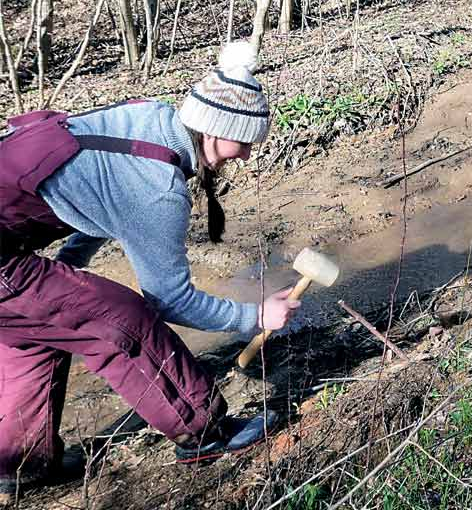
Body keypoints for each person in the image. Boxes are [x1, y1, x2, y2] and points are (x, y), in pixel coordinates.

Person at [0, 41, 300, 504]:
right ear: (218, 130)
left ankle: (19, 462)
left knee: (39, 326)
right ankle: (205, 431)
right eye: (246, 142)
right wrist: (254, 317)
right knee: (119, 318)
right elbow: (168, 300)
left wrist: (65, 269)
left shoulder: (152, 119)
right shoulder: (158, 190)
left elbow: (101, 198)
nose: (246, 156)